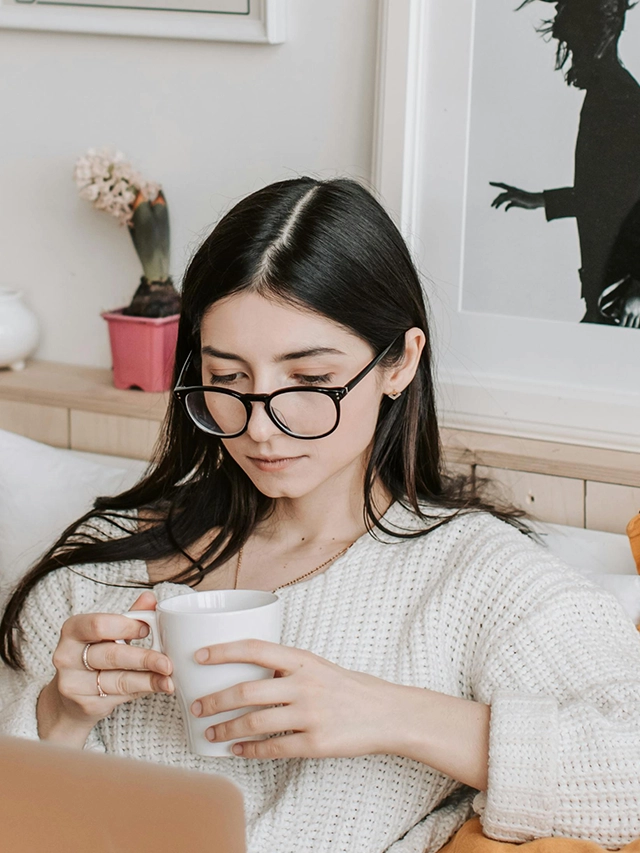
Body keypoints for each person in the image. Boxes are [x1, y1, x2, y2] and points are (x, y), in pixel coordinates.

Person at [1, 177, 639, 853]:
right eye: (229, 379)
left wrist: (391, 712)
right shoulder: (102, 569)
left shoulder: (475, 579)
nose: (262, 427)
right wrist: (57, 716)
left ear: (399, 362)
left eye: (308, 381)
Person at [490, 0, 640, 327]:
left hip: (622, 299)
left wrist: (638, 289)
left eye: (573, 45)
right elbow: (607, 194)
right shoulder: (606, 95)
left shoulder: (623, 99)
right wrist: (541, 200)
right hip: (607, 291)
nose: (569, 54)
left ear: (595, 37)